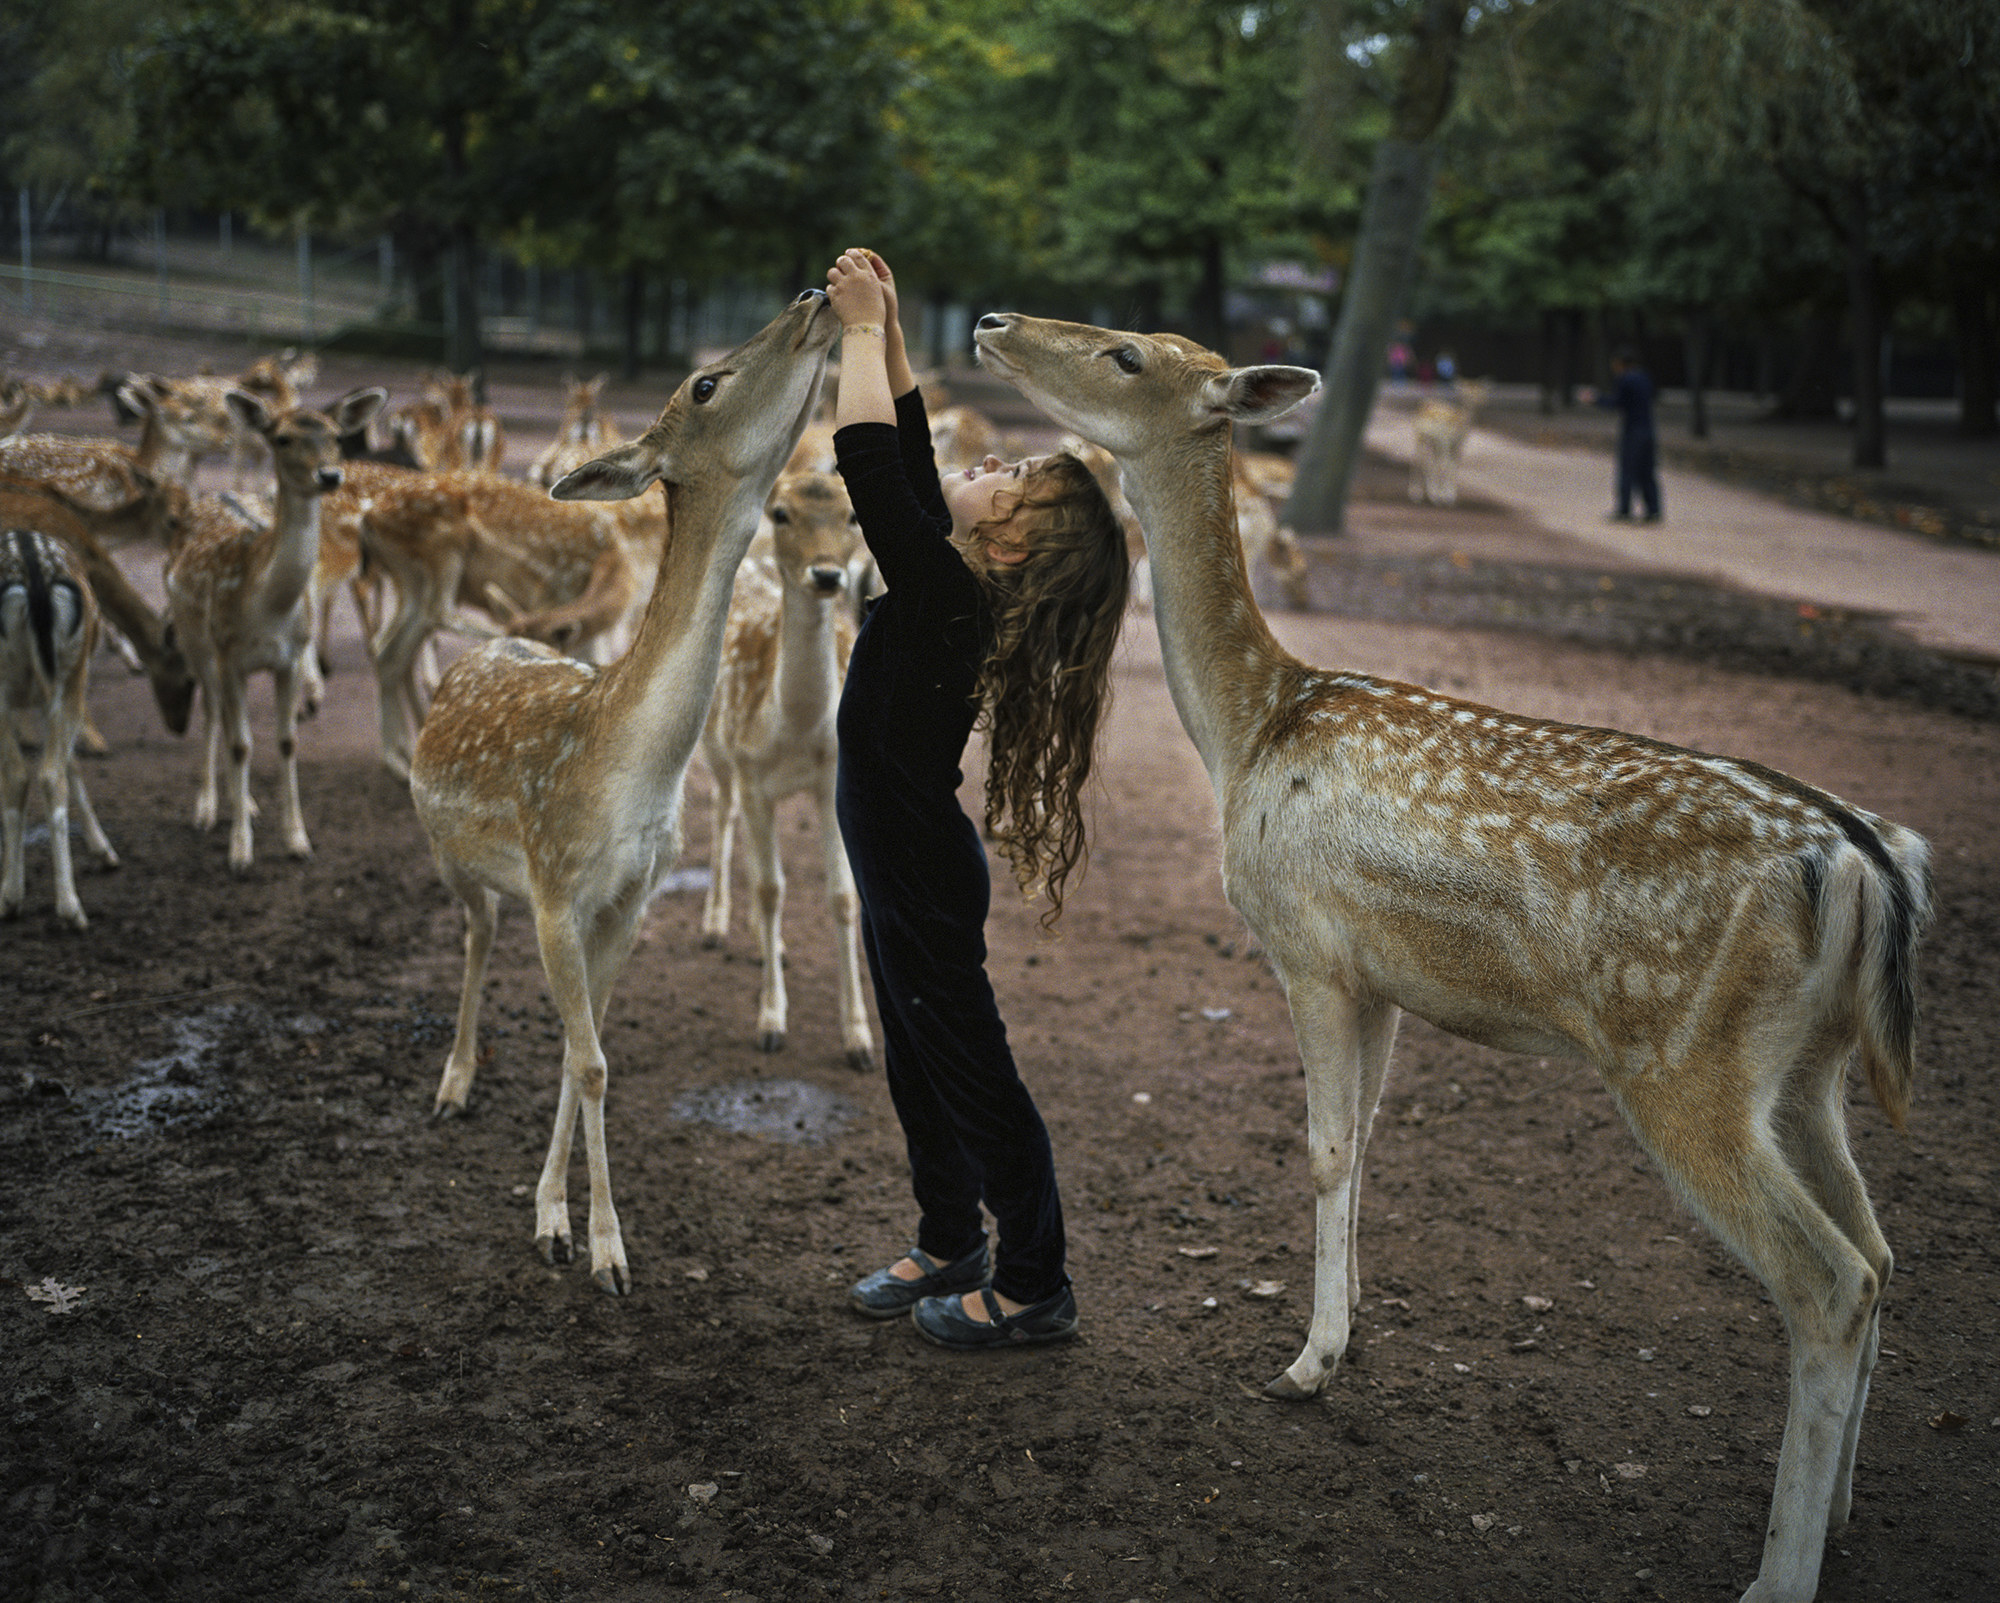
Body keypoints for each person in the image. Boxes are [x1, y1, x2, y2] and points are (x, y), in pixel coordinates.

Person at [823, 247, 1130, 1350]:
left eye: (1002, 475)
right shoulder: (954, 583)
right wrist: (894, 334)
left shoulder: (950, 595)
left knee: (968, 1067)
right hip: (902, 861)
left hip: (914, 866)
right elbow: (906, 460)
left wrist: (858, 334)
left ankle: (1035, 1278)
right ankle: (948, 1234)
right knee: (917, 1057)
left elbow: (870, 471)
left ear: (998, 545)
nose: (986, 459)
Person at [1590, 346, 1662, 523]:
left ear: (1621, 364)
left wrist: (1595, 399)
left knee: (1627, 470)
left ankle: (1624, 510)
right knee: (1647, 470)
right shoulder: (1644, 377)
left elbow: (1617, 403)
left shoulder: (1625, 379)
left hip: (1633, 430)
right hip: (1648, 429)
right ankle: (1653, 510)